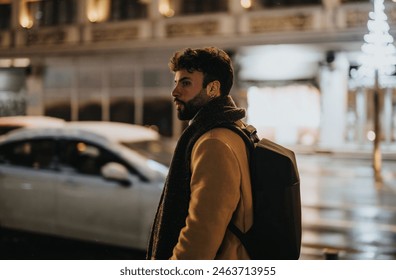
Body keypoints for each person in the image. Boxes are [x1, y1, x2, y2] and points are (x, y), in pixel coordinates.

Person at [146, 47, 253, 260]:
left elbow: (201, 234)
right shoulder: (231, 128)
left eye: (185, 83)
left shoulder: (213, 143)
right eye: (175, 82)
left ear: (213, 88)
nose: (175, 91)